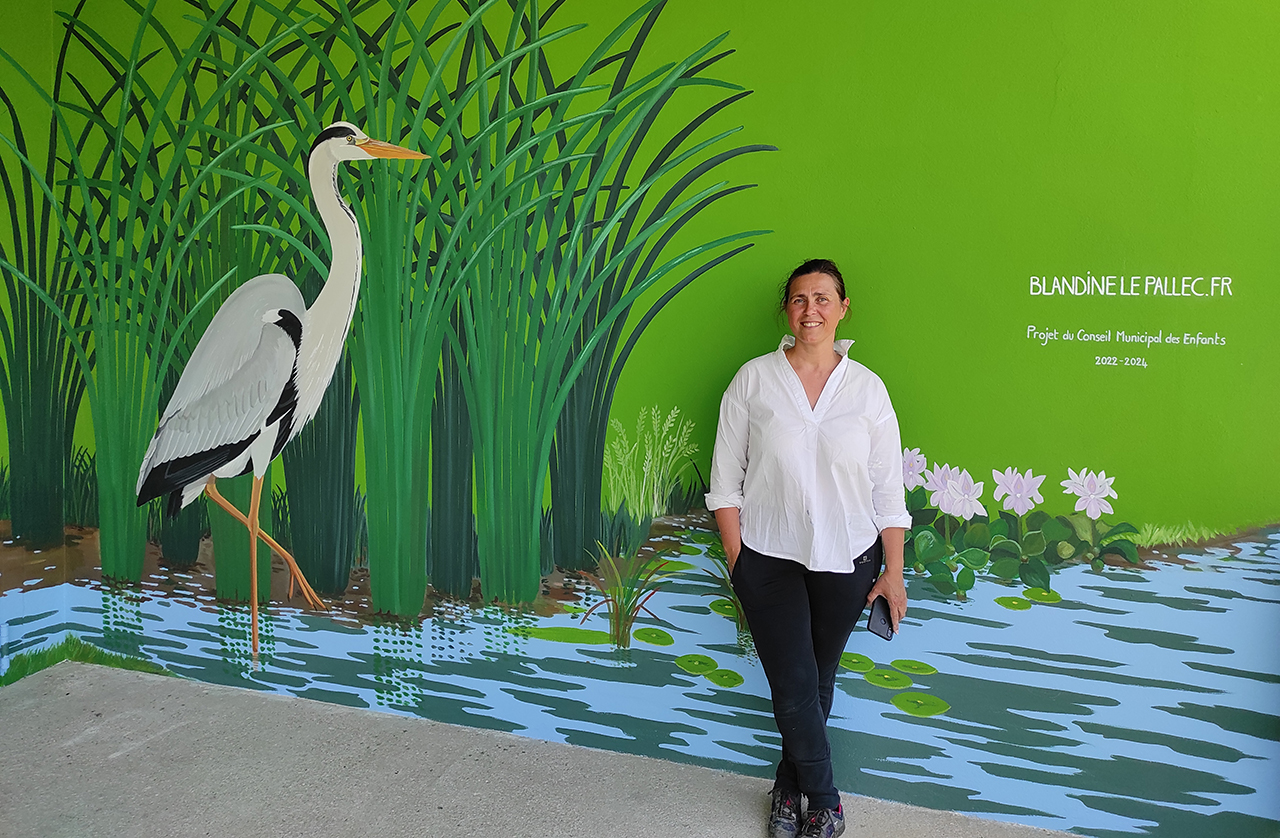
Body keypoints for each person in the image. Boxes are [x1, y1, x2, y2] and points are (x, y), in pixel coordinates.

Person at [705, 258, 911, 838]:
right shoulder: (754, 380)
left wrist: (893, 572)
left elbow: (888, 492)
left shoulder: (868, 390)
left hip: (848, 559)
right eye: (799, 299)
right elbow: (725, 482)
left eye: (823, 298)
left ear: (843, 309)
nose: (811, 309)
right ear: (787, 310)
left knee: (815, 682)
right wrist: (738, 560)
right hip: (767, 558)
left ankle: (787, 790)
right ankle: (824, 800)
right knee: (793, 685)